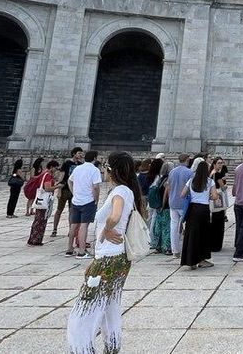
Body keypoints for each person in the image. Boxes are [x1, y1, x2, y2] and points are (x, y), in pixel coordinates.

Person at [66, 151, 145, 354]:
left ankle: (83, 350)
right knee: (110, 307)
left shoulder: (120, 191)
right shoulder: (127, 191)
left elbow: (116, 215)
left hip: (109, 259)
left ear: (111, 170)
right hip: (116, 258)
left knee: (83, 313)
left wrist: (108, 229)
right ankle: (112, 347)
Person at [180, 160, 219, 270]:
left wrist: (192, 195)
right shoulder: (209, 181)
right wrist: (208, 197)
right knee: (203, 235)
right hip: (204, 209)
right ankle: (201, 259)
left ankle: (190, 260)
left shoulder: (191, 180)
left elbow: (182, 194)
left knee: (192, 234)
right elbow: (215, 196)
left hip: (193, 208)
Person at [67, 150, 103, 259]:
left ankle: (69, 249)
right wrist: (96, 199)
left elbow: (69, 181)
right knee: (84, 225)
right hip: (88, 201)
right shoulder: (94, 170)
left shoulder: (78, 168)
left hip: (76, 200)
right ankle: (82, 251)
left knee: (74, 225)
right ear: (95, 158)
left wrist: (74, 192)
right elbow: (96, 187)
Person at [53, 147, 84, 238]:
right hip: (65, 189)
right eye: (79, 153)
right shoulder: (67, 163)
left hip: (74, 191)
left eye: (81, 153)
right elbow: (61, 176)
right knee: (59, 210)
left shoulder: (80, 164)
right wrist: (58, 190)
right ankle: (55, 229)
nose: (80, 155)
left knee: (72, 211)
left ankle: (71, 230)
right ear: (74, 153)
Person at [166, 153, 193, 257]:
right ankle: (187, 249)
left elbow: (168, 186)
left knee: (174, 226)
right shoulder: (189, 172)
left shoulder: (172, 171)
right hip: (184, 202)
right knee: (187, 226)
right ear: (187, 160)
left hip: (173, 201)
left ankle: (175, 251)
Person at [27, 159, 59, 246]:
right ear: (51, 167)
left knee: (37, 220)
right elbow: (47, 188)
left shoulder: (43, 174)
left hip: (40, 199)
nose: (56, 170)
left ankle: (33, 239)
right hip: (44, 200)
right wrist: (57, 186)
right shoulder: (48, 175)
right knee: (41, 220)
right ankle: (36, 240)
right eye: (55, 168)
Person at [149, 160, 172, 254]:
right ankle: (166, 247)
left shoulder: (160, 179)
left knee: (158, 226)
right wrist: (163, 205)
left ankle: (158, 246)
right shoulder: (168, 180)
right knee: (166, 226)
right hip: (165, 206)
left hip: (158, 205)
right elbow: (166, 194)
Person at [208, 156, 229, 253]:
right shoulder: (217, 174)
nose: (221, 164)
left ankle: (212, 243)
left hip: (213, 196)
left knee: (214, 220)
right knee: (219, 221)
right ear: (214, 164)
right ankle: (217, 244)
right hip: (218, 196)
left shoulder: (211, 173)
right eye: (219, 163)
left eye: (222, 163)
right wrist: (226, 185)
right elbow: (222, 187)